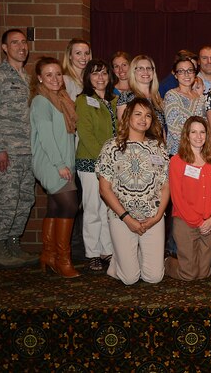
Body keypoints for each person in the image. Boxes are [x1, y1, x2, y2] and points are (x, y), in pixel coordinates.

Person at [0, 29, 39, 267]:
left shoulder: (28, 79)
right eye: (15, 43)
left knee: (23, 200)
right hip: (6, 153)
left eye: (24, 42)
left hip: (27, 153)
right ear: (4, 48)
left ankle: (13, 246)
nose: (21, 47)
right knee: (5, 200)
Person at [97, 98, 170, 285]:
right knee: (129, 279)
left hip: (152, 218)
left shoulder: (158, 147)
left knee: (153, 278)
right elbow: (104, 190)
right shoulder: (111, 147)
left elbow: (166, 185)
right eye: (138, 114)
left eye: (147, 115)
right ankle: (120, 258)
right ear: (128, 116)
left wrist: (157, 216)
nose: (143, 119)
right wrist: (127, 219)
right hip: (122, 217)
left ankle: (130, 253)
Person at [30, 57, 79, 278]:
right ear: (39, 78)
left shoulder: (62, 98)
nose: (54, 79)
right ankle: (63, 260)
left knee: (55, 208)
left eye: (58, 74)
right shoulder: (41, 102)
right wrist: (60, 165)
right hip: (51, 162)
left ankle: (48, 256)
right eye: (48, 75)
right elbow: (47, 137)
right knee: (70, 205)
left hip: (63, 162)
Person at [165, 117, 211, 281]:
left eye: (202, 132)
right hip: (185, 220)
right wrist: (198, 222)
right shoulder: (177, 161)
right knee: (189, 275)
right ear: (187, 135)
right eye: (194, 132)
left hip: (208, 221)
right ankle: (168, 262)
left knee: (203, 273)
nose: (199, 136)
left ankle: (192, 264)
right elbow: (177, 197)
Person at [75, 59, 118, 272]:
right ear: (88, 77)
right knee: (93, 209)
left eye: (103, 73)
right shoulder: (83, 101)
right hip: (90, 162)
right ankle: (92, 253)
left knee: (107, 209)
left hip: (111, 164)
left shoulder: (114, 101)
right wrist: (104, 161)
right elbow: (86, 134)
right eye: (95, 74)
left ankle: (106, 250)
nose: (100, 78)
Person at [164, 54, 206, 156]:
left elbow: (206, 126)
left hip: (200, 152)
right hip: (179, 152)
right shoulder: (171, 95)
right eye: (181, 71)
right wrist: (192, 149)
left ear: (195, 73)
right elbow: (174, 129)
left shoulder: (201, 98)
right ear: (175, 75)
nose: (186, 75)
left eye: (190, 70)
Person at [117, 55, 165, 131]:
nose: (145, 72)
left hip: (158, 142)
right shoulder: (126, 97)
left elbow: (162, 130)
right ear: (133, 72)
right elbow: (122, 128)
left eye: (149, 68)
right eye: (140, 68)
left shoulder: (157, 98)